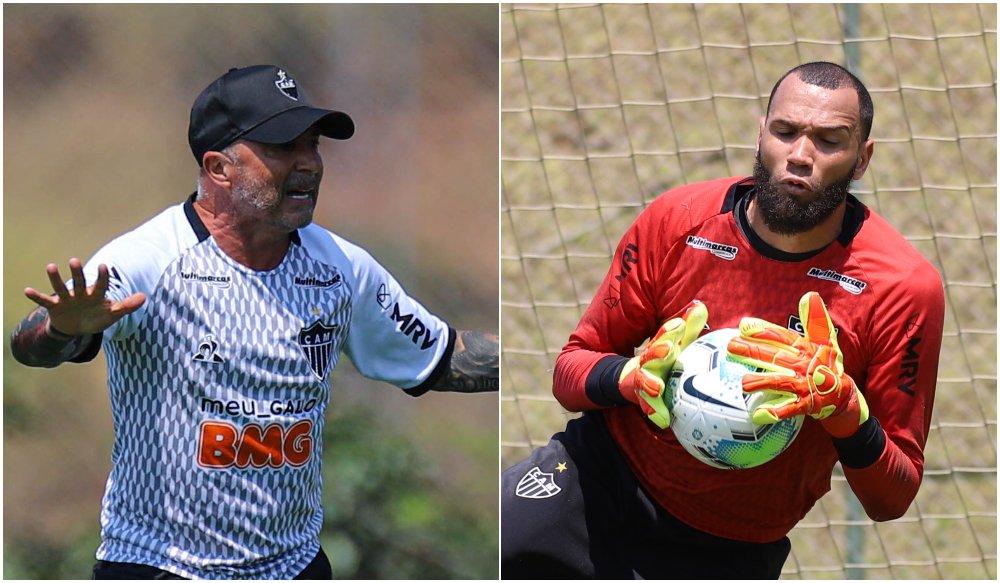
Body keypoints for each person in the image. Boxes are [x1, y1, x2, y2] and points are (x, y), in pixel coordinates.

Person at [10, 64, 498, 580]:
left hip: (293, 566)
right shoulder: (149, 260)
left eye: (313, 145)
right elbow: (33, 344)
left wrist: (557, 357)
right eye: (283, 148)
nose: (309, 164)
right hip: (162, 565)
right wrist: (65, 329)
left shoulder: (340, 268)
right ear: (219, 167)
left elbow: (445, 357)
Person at [500, 61, 945, 579]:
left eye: (829, 140)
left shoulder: (902, 287)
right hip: (596, 482)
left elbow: (892, 497)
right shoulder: (679, 219)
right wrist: (630, 377)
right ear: (761, 133)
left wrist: (845, 410)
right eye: (785, 132)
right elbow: (570, 371)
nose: (799, 155)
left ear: (861, 159)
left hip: (730, 548)